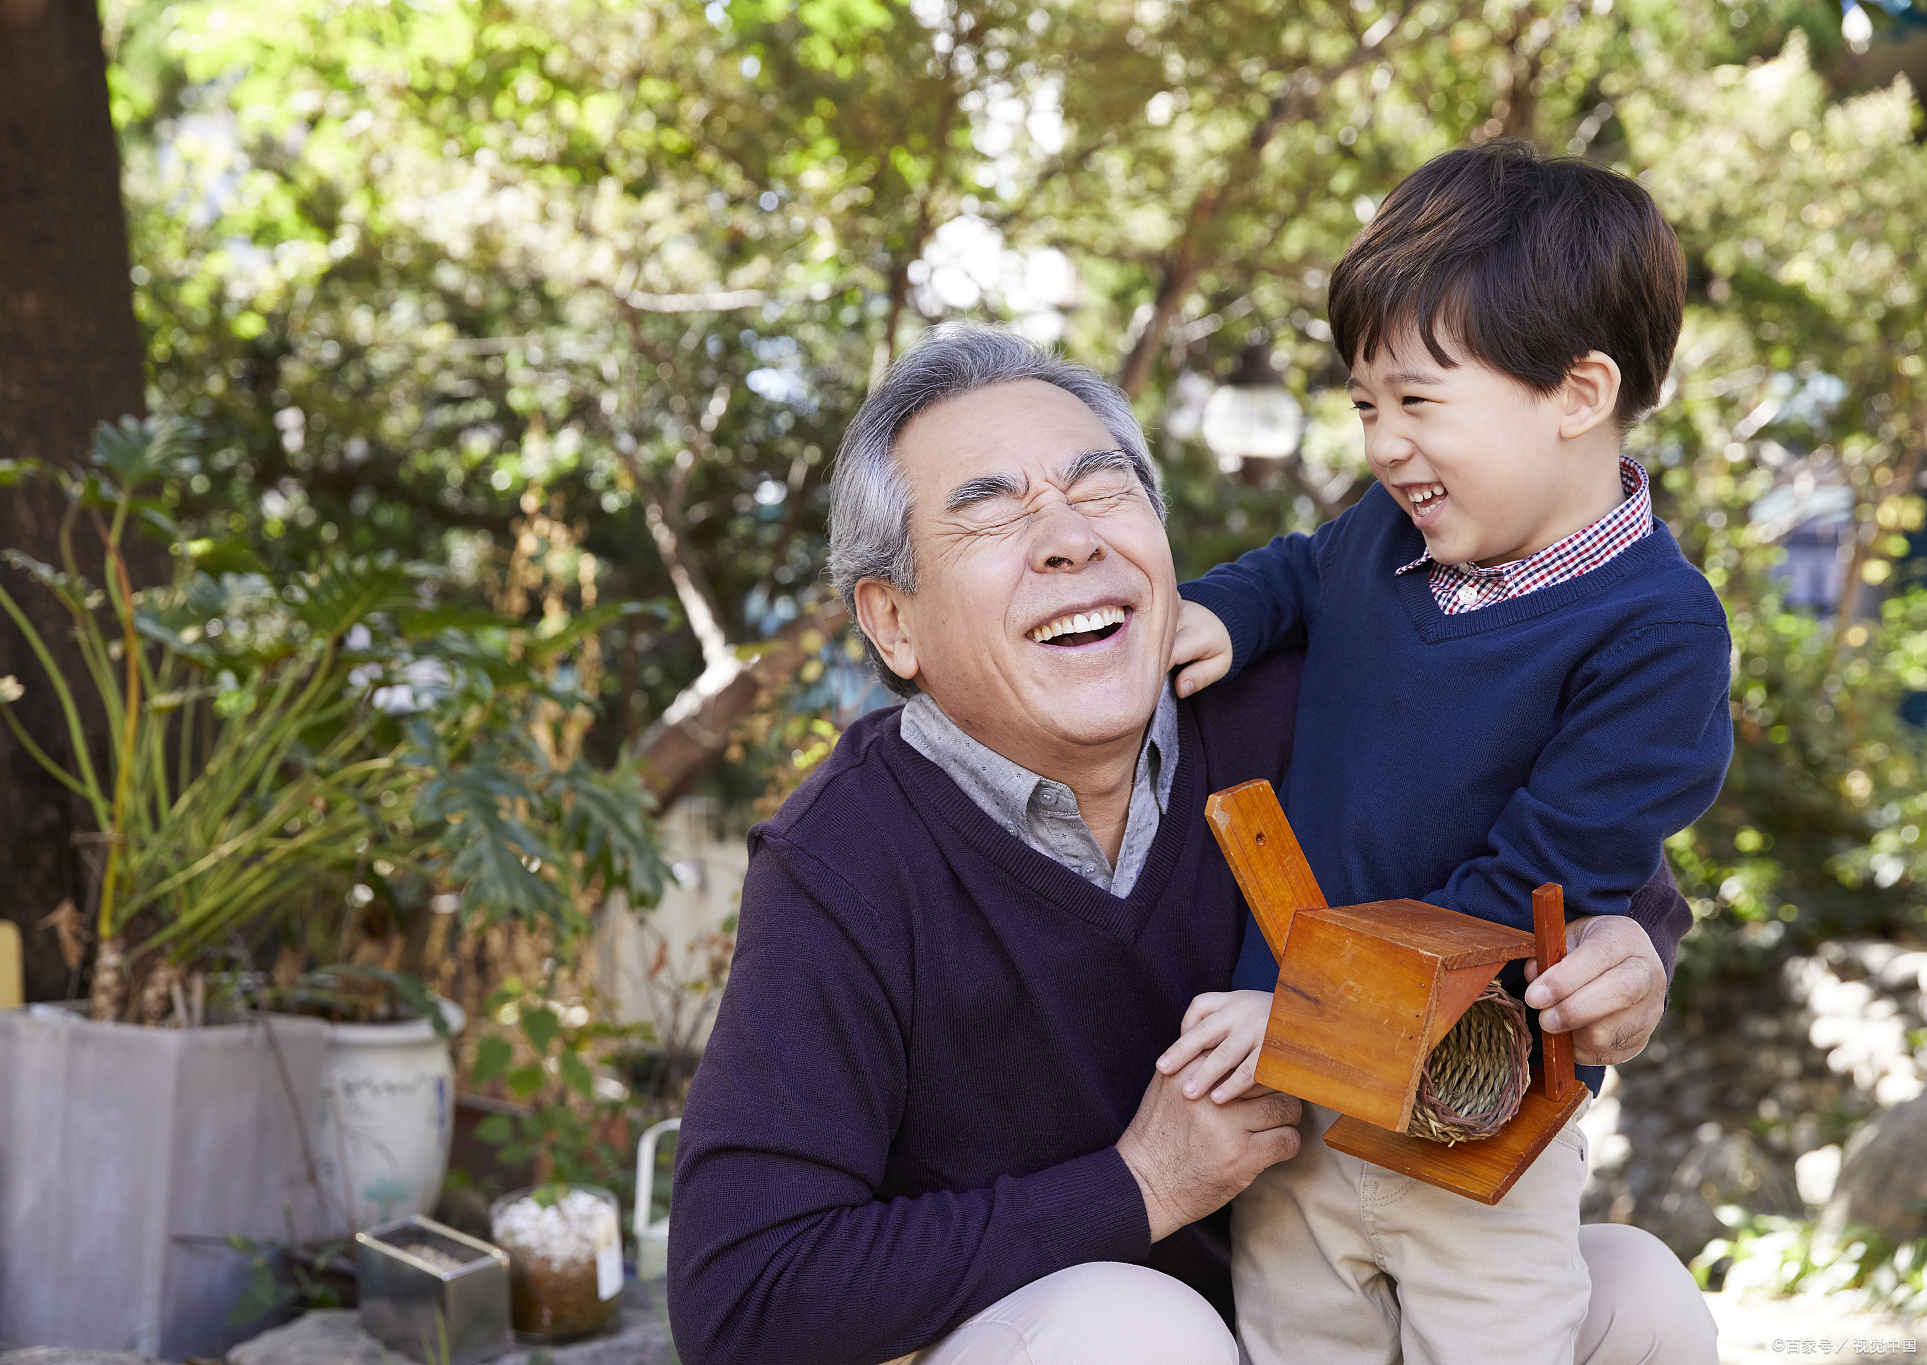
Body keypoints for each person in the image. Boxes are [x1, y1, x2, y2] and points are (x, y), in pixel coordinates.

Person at [667, 322, 1719, 1365]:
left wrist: (1623, 952)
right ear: (892, 623)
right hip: (1074, 1340)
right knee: (1133, 1334)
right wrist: (1139, 1185)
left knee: (1640, 1299)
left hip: (1329, 1291)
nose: (1069, 537)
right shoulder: (847, 857)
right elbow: (742, 1296)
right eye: (988, 512)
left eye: (1101, 487)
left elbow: (1588, 858)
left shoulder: (1292, 707)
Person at [1166, 141, 1733, 1365]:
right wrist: (1222, 612)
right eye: (1364, 403)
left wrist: (1297, 1016)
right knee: (1296, 1337)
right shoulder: (1384, 534)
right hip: (1296, 1103)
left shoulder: (1653, 634)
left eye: (1418, 401)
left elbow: (1521, 888)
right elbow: (1300, 569)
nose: (1381, 444)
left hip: (1471, 1109)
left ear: (1577, 394)